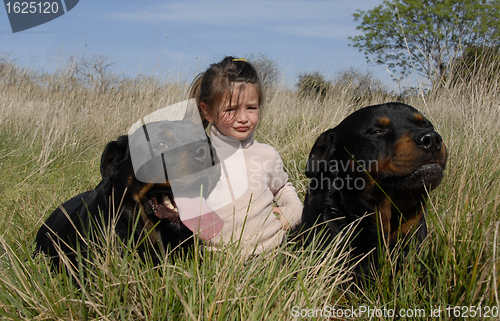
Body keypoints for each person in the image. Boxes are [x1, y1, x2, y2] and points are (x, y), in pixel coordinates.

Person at [189, 56, 302, 256]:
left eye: (251, 108)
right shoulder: (197, 157)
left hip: (270, 256)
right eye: (231, 109)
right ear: (208, 112)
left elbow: (283, 188)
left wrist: (290, 213)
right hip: (214, 261)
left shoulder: (266, 154)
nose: (243, 118)